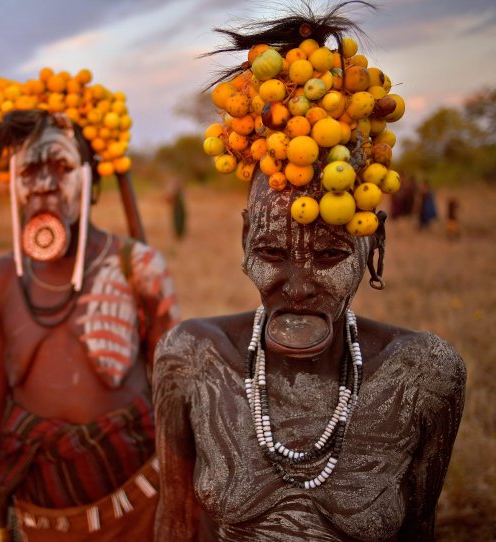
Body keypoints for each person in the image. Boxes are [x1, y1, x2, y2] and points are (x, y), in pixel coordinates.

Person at [153, 8, 466, 541]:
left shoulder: (424, 378)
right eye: (273, 253)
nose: (297, 288)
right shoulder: (192, 361)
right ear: (245, 240)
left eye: (328, 256)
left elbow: (420, 527)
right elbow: (177, 522)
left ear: (374, 244)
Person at [0, 108, 180, 541]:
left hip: (138, 504)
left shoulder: (136, 266)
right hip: (41, 516)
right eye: (30, 169)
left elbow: (175, 399)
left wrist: (183, 507)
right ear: (13, 184)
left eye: (62, 167)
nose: (45, 183)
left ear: (93, 186)